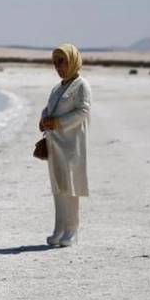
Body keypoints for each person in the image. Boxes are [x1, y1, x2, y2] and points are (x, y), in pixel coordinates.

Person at [39, 43, 91, 247]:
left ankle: (71, 231)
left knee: (70, 188)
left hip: (71, 145)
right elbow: (48, 108)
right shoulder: (57, 87)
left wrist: (59, 122)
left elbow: (83, 111)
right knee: (58, 188)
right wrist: (43, 119)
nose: (58, 66)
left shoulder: (81, 85)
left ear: (73, 61)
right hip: (55, 145)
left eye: (62, 61)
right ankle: (59, 229)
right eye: (55, 62)